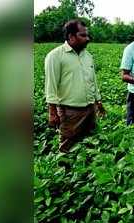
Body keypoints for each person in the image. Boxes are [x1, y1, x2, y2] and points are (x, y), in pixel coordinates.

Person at [45, 19, 105, 152]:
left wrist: (98, 101)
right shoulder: (55, 56)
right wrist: (52, 112)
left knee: (90, 144)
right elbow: (51, 85)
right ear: (71, 36)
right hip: (70, 111)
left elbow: (92, 80)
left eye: (87, 35)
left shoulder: (87, 56)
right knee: (68, 146)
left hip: (90, 109)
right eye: (83, 35)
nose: (87, 39)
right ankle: (66, 171)